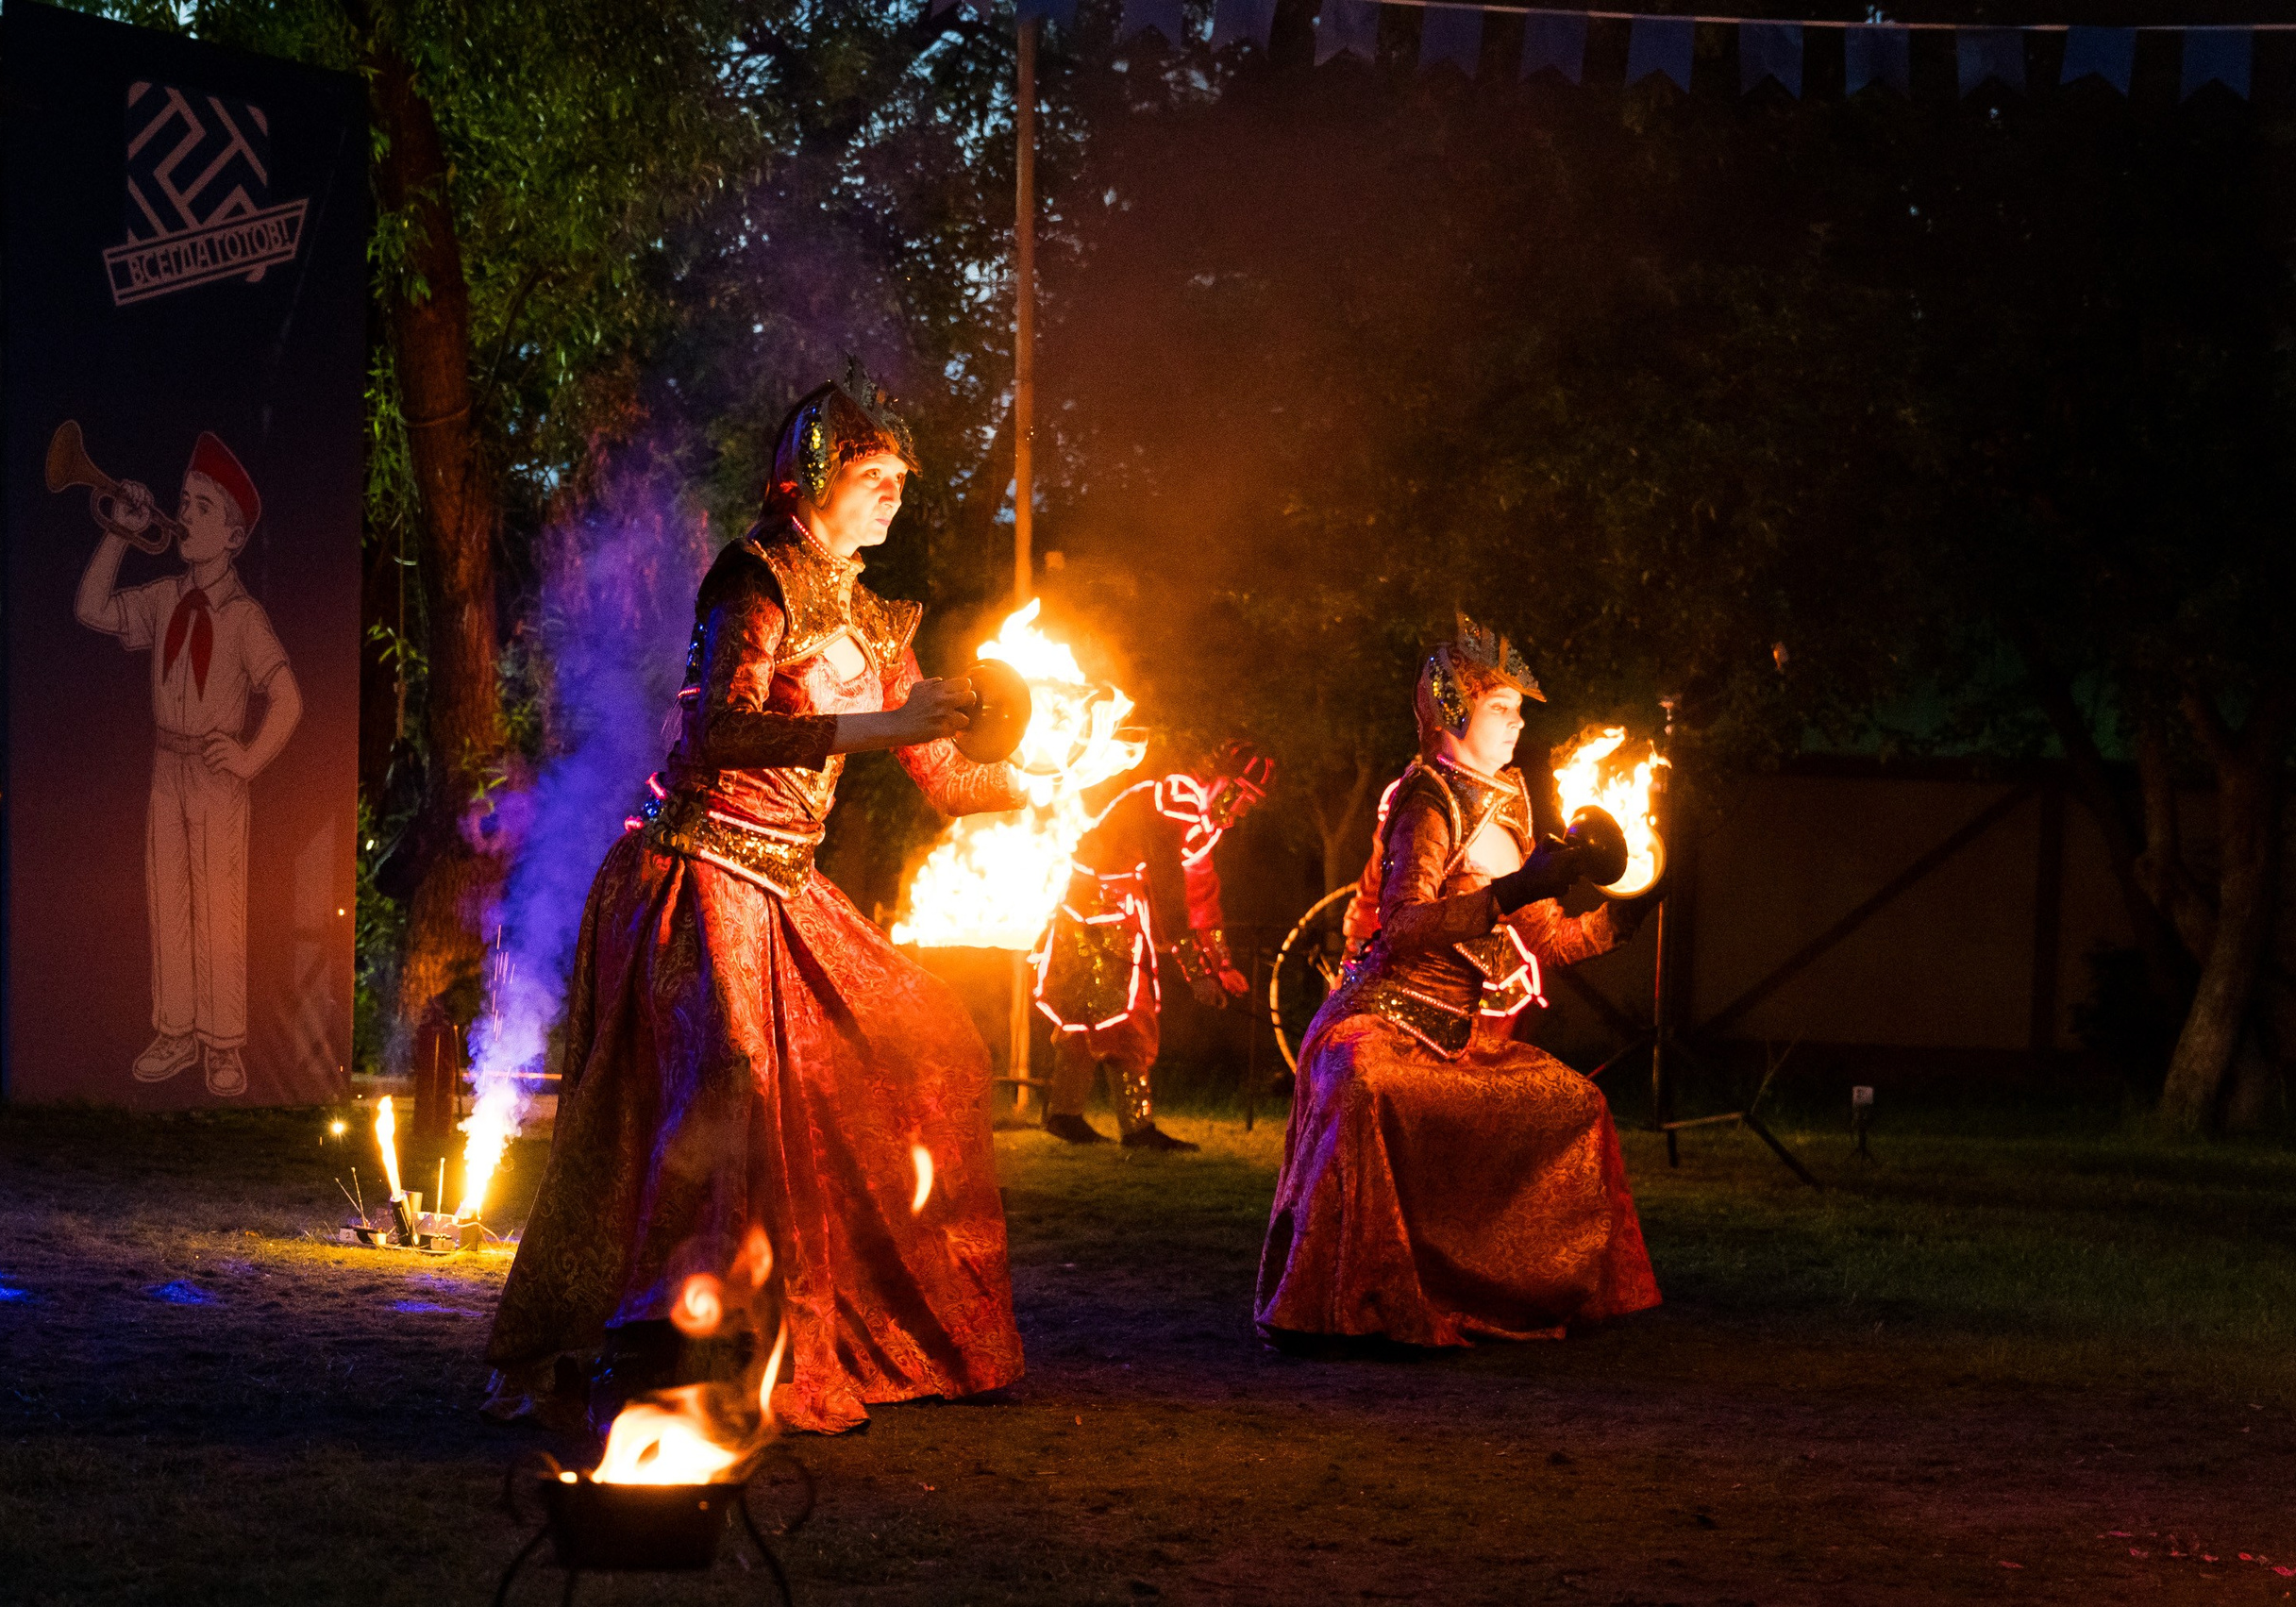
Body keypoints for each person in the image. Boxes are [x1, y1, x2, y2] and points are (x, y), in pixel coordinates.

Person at [485, 364, 1032, 1435]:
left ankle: (809, 1323)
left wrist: (1042, 780)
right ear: (813, 476)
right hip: (698, 870)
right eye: (874, 473)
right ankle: (675, 1337)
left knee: (920, 1044)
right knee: (730, 1081)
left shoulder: (879, 622)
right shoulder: (755, 580)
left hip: (789, 885)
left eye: (899, 480)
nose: (892, 494)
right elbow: (715, 733)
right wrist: (878, 729)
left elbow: (944, 778)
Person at [1253, 613, 1661, 1346]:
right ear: (1453, 711)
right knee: (1364, 1087)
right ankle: (1348, 1305)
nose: (1513, 726)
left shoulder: (1513, 804)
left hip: (1464, 1038)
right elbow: (1404, 921)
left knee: (1581, 1103)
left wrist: (1620, 921)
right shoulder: (1425, 799)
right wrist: (1508, 893)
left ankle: (1537, 1291)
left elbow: (1545, 939)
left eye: (1515, 713)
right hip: (1382, 1015)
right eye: (1500, 709)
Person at [75, 432, 302, 1100]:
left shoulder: (242, 615)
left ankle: (224, 1042)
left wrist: (250, 756)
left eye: (202, 508)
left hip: (214, 770)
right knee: (166, 895)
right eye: (185, 501)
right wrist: (119, 534)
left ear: (232, 535)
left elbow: (287, 697)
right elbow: (90, 609)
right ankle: (175, 1027)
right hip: (165, 765)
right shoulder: (166, 596)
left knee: (221, 905)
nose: (184, 515)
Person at [1031, 743, 1272, 1151]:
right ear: (1221, 781)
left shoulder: (1194, 820)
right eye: (1243, 794)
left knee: (1089, 1018)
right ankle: (1135, 1129)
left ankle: (1064, 1115)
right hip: (1098, 915)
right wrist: (1196, 972)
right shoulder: (1173, 802)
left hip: (1109, 910)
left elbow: (1202, 895)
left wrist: (1221, 963)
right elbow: (1166, 888)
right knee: (1126, 1017)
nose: (1241, 811)